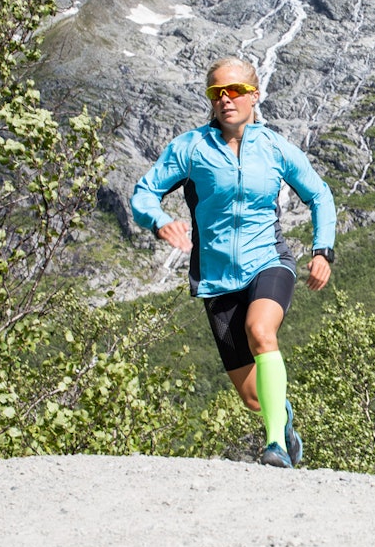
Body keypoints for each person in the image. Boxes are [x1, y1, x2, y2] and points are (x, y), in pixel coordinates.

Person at [130, 57, 336, 468]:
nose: (227, 99)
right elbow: (143, 194)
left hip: (269, 261)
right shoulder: (190, 148)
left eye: (236, 90)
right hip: (217, 279)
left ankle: (276, 446)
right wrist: (159, 221)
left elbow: (320, 195)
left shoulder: (275, 147)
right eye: (217, 92)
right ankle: (285, 420)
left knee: (261, 331)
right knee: (253, 397)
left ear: (254, 95)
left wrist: (322, 249)